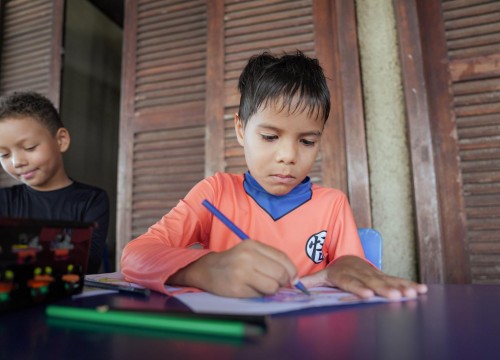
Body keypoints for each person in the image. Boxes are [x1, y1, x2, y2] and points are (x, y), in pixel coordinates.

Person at [121, 51, 427, 299]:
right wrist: (204, 268)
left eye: (307, 141)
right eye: (269, 137)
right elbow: (135, 256)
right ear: (241, 129)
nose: (288, 156)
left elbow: (350, 264)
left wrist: (346, 265)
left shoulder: (332, 205)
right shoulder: (214, 193)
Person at [0, 91, 109, 274]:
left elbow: (87, 263)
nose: (17, 162)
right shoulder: (3, 200)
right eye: (4, 154)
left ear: (61, 140)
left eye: (29, 148)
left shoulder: (92, 199)